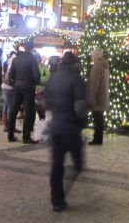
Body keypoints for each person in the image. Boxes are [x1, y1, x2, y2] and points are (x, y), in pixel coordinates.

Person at [45, 51, 87, 212]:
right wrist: (82, 124)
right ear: (75, 63)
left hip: (56, 129)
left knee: (57, 165)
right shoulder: (77, 80)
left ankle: (57, 199)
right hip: (71, 129)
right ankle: (63, 194)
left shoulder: (53, 77)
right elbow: (80, 108)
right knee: (78, 164)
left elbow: (47, 103)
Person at [7, 39, 40, 144]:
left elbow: (11, 75)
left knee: (14, 109)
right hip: (28, 86)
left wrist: (17, 81)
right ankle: (26, 137)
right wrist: (36, 82)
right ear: (32, 47)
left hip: (18, 85)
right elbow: (36, 75)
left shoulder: (16, 59)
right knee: (29, 111)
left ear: (24, 47)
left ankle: (10, 134)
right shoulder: (32, 59)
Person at [88, 47, 110, 145]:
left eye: (93, 54)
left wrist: (91, 98)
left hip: (97, 98)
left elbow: (94, 85)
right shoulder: (105, 66)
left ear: (96, 55)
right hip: (103, 96)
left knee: (97, 119)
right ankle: (98, 138)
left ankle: (97, 139)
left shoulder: (96, 67)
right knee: (99, 118)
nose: (91, 56)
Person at [1, 51, 19, 132]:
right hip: (9, 87)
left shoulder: (6, 63)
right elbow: (11, 77)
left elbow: (3, 75)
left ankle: (6, 126)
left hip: (4, 86)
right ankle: (10, 127)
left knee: (6, 106)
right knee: (11, 107)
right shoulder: (12, 65)